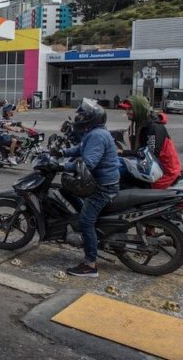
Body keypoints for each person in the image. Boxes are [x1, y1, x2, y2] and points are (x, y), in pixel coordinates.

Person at [59, 99, 120, 278]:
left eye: (82, 115)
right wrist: (62, 153)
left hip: (103, 187)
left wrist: (61, 165)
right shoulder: (94, 132)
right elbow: (81, 148)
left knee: (86, 221)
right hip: (103, 182)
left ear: (91, 118)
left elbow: (88, 163)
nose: (78, 117)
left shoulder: (97, 135)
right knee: (69, 191)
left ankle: (90, 265)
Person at [121, 95, 181, 189]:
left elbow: (149, 154)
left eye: (130, 109)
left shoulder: (153, 127)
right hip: (148, 168)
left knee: (122, 183)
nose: (127, 112)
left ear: (139, 109)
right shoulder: (137, 124)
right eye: (126, 109)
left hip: (163, 173)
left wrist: (123, 153)